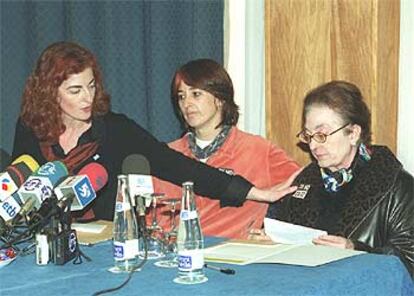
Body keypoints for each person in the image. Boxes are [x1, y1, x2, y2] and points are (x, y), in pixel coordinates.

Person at [12, 41, 297, 221]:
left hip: (102, 252)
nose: (88, 97)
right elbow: (20, 191)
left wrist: (255, 193)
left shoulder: (115, 129)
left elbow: (179, 167)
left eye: (91, 86)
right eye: (75, 90)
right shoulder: (30, 128)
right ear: (50, 93)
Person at [264, 81, 414, 277]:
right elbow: (283, 235)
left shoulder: (395, 186)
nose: (314, 146)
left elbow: (409, 261)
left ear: (353, 134)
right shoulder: (304, 183)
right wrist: (267, 242)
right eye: (308, 136)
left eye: (322, 134)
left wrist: (357, 250)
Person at [152, 59, 300, 239]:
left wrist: (276, 234)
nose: (187, 104)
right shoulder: (166, 155)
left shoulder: (258, 150)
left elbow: (304, 189)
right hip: (174, 256)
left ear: (220, 98)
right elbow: (150, 218)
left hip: (234, 257)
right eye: (181, 96)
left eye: (196, 94)